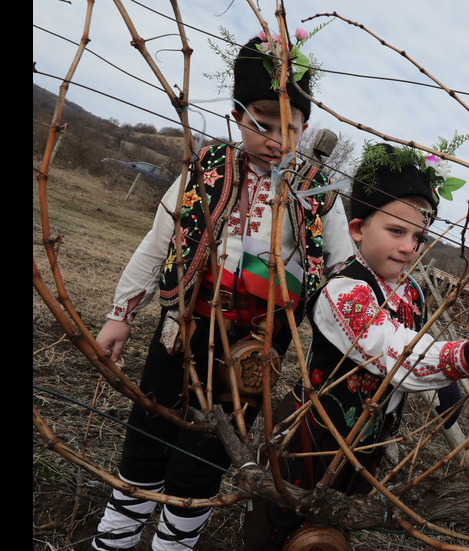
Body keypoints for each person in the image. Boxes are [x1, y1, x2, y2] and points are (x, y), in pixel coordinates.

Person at [91, 32, 354, 551]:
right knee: (147, 436)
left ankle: (174, 544)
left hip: (255, 348)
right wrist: (122, 314)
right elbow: (159, 239)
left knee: (209, 454)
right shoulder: (207, 167)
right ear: (237, 115)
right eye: (264, 125)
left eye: (292, 129)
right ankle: (114, 540)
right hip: (183, 329)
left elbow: (343, 270)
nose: (278, 140)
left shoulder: (317, 193)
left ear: (306, 128)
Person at [243, 142, 469, 550]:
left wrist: (444, 383)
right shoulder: (344, 291)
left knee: (334, 527)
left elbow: (415, 337)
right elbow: (394, 350)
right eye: (396, 231)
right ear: (357, 229)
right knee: (281, 527)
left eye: (419, 236)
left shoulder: (410, 292)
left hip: (367, 443)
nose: (410, 246)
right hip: (315, 438)